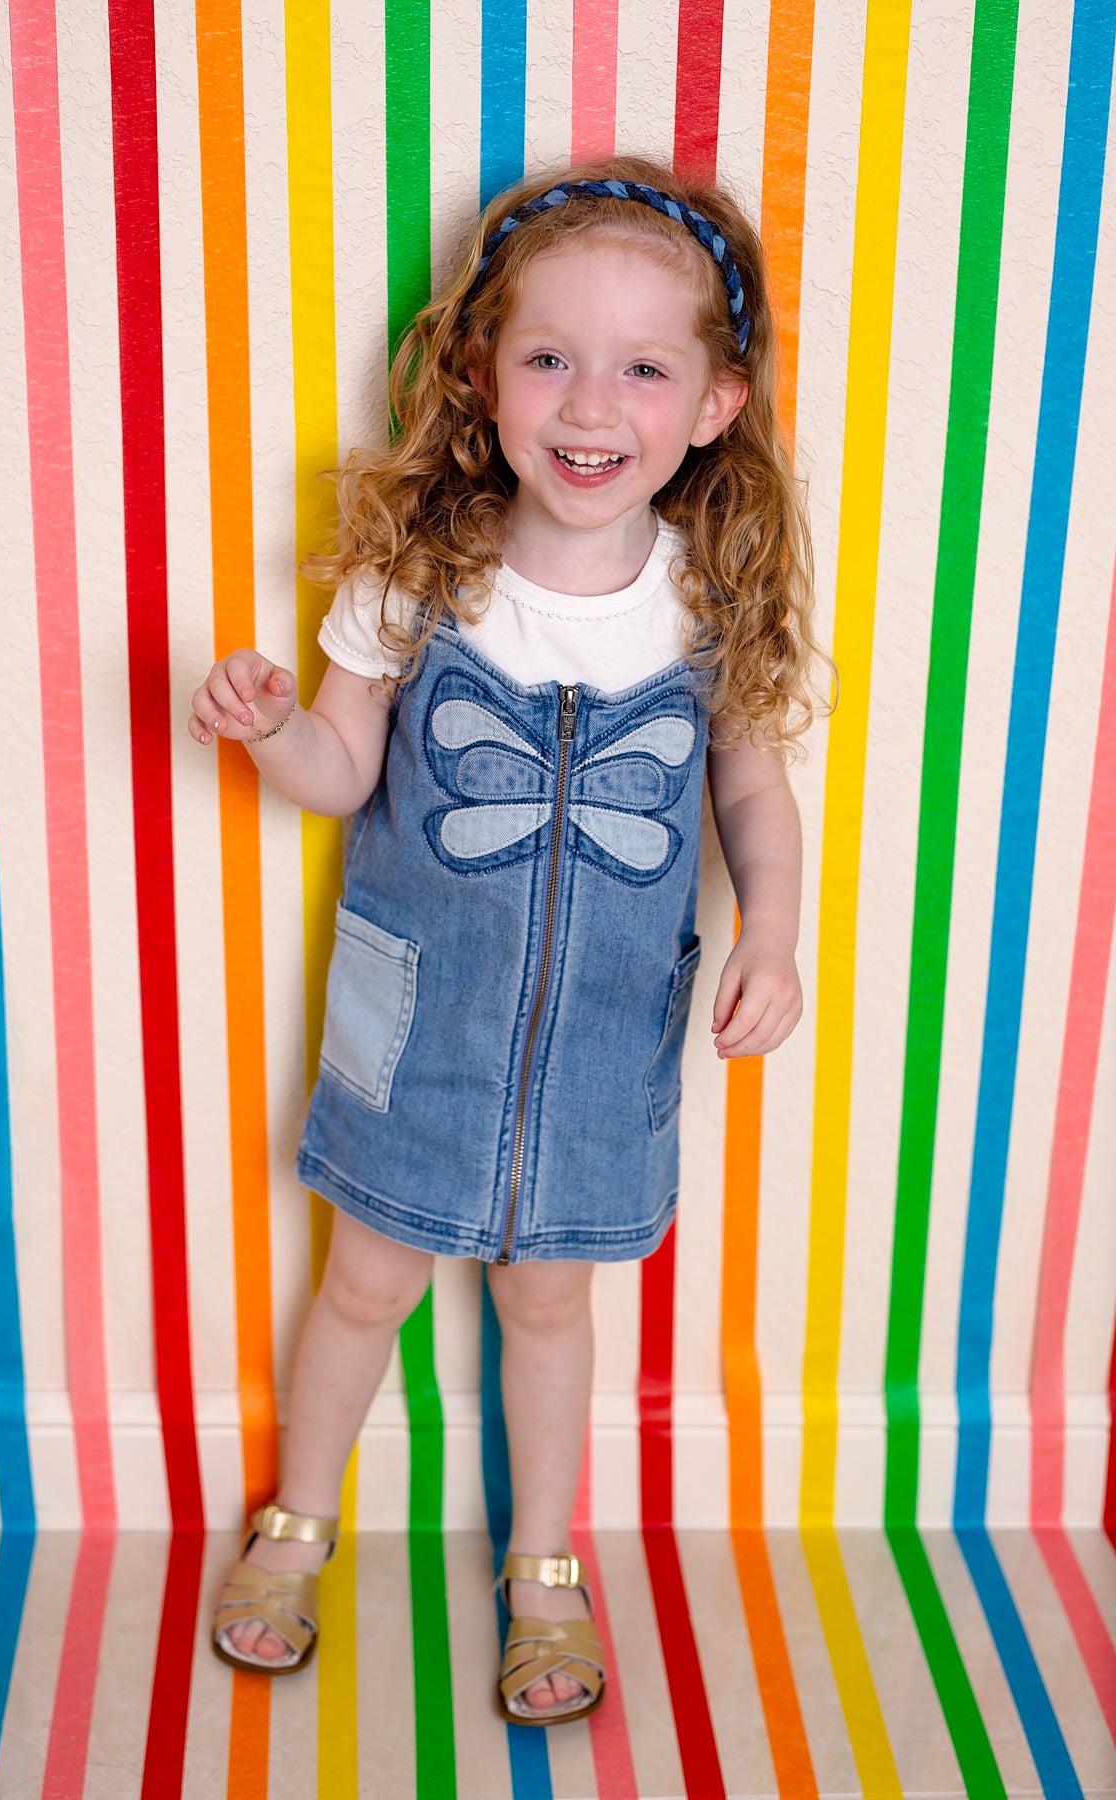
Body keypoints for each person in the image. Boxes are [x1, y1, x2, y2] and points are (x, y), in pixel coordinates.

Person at [191, 155, 825, 1724]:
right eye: (550, 357)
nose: (590, 404)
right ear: (483, 375)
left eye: (644, 369)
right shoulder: (420, 578)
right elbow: (341, 774)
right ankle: (295, 1526)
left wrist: (777, 931)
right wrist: (271, 732)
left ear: (716, 405)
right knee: (366, 1283)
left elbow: (754, 788)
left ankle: (544, 1570)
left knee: (549, 1302)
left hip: (606, 1036)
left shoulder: (707, 603)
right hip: (418, 1016)